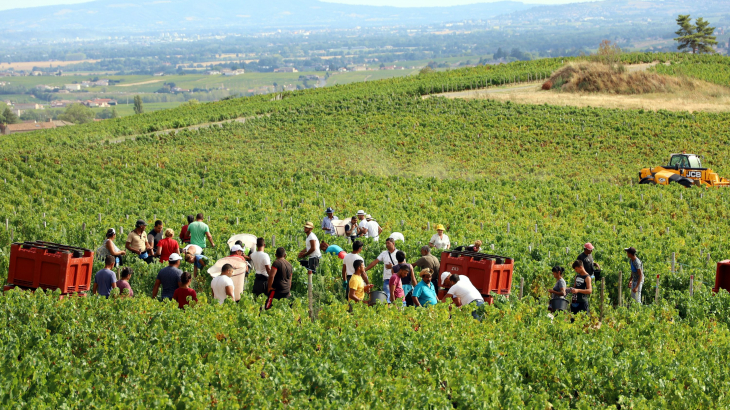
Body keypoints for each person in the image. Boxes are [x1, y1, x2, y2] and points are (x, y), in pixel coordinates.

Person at [364, 237, 398, 302]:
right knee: (387, 296)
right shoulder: (384, 253)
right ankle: (388, 309)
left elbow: (403, 265)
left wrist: (392, 266)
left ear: (393, 243)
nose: (387, 245)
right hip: (387, 279)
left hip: (396, 279)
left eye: (388, 243)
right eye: (386, 243)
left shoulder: (398, 253)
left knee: (397, 296)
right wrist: (365, 270)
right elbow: (374, 262)